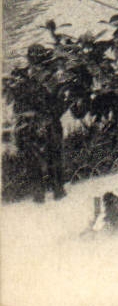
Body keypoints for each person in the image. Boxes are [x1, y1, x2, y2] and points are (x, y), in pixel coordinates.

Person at [9, 44, 67, 202]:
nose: (35, 61)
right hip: (36, 122)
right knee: (39, 158)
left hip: (47, 121)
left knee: (50, 157)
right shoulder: (26, 77)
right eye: (34, 57)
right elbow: (18, 104)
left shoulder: (49, 76)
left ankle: (54, 191)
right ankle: (46, 193)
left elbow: (59, 102)